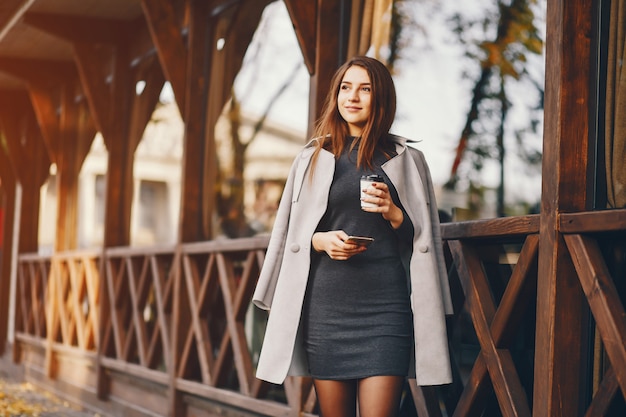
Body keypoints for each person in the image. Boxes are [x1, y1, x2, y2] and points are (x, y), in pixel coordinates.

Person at [252, 56, 453, 417]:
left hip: (386, 306)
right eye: (346, 88)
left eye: (365, 89)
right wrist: (321, 241)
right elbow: (292, 234)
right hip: (327, 307)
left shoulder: (407, 159)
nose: (353, 97)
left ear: (382, 99)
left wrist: (394, 213)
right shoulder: (312, 157)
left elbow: (423, 240)